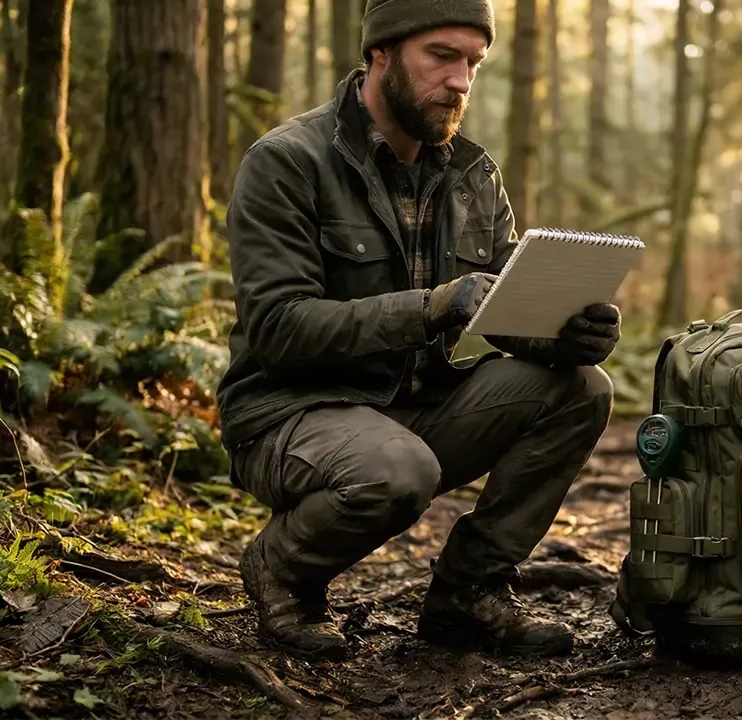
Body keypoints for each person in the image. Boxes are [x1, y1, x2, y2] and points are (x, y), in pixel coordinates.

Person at [215, 0, 621, 661]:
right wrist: (429, 306)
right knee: (397, 468)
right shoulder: (288, 162)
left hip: (413, 410)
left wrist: (567, 333)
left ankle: (469, 593)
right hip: (288, 416)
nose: (460, 80)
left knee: (582, 388)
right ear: (380, 53)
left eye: (474, 63)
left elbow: (501, 308)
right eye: (441, 56)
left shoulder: (472, 173)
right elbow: (277, 329)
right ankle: (283, 571)